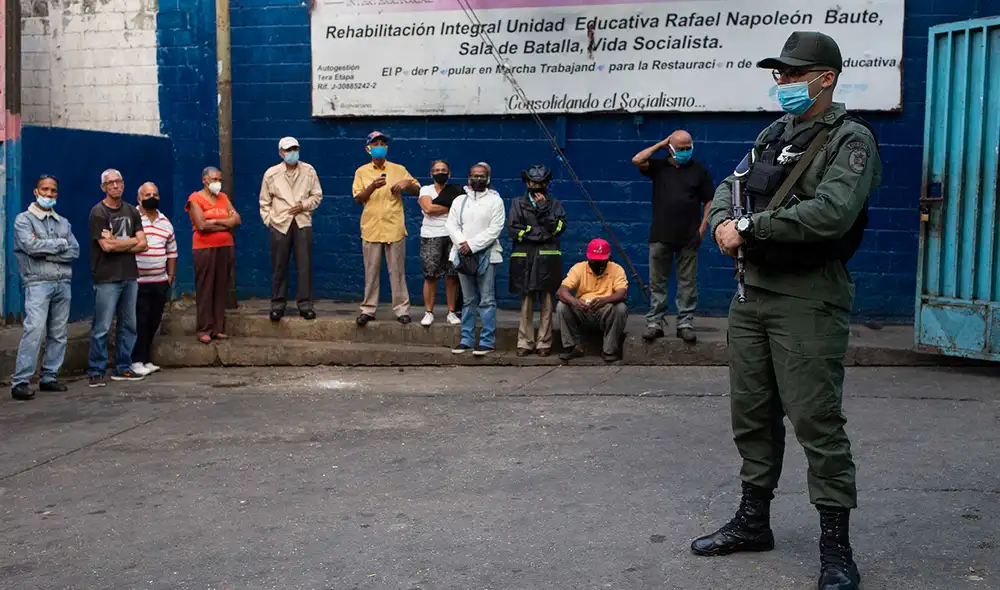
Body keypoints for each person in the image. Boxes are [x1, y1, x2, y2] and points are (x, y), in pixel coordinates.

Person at [691, 31, 882, 590]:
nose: (784, 83)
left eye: (795, 75)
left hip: (807, 299)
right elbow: (731, 184)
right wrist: (726, 218)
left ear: (825, 79)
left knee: (816, 422)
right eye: (780, 74)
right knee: (751, 414)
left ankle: (836, 549)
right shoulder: (774, 134)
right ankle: (754, 522)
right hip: (752, 296)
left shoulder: (851, 140)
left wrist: (748, 226)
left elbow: (832, 213)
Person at [631, 129, 714, 344]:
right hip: (660, 234)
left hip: (689, 236)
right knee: (657, 281)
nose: (686, 152)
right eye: (681, 148)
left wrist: (702, 230)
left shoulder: (699, 170)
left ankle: (685, 323)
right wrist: (661, 144)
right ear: (671, 148)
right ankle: (655, 323)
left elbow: (709, 202)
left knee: (687, 283)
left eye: (688, 148)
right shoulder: (659, 167)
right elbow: (637, 159)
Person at [9, 175, 80, 400]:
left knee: (58, 333)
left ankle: (49, 376)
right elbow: (30, 247)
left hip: (63, 283)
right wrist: (59, 245)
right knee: (35, 330)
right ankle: (20, 381)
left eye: (53, 191)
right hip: (38, 282)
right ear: (36, 191)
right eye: (45, 190)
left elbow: (75, 251)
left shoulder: (63, 222)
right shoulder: (24, 220)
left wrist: (46, 252)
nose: (49, 194)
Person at [351, 130, 420, 326]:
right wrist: (372, 186)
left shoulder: (399, 169)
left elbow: (417, 190)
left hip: (394, 227)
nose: (379, 147)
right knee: (371, 272)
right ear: (368, 148)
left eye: (382, 143)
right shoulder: (361, 172)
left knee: (397, 271)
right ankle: (368, 309)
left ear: (386, 147)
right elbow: (358, 199)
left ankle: (402, 310)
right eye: (375, 144)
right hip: (372, 228)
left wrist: (407, 184)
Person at [87, 168, 148, 387]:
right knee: (102, 326)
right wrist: (130, 242)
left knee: (129, 325)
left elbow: (144, 243)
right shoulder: (98, 213)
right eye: (110, 183)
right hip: (106, 277)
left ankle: (123, 366)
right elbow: (106, 246)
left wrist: (119, 242)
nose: (115, 186)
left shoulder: (132, 210)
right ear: (103, 187)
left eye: (119, 182)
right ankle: (96, 369)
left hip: (130, 276)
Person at [259, 136, 324, 321]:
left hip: (302, 222)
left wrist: (304, 205)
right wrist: (270, 221)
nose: (292, 153)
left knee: (304, 265)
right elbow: (264, 202)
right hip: (280, 223)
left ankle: (305, 305)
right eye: (288, 150)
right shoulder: (271, 173)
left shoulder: (309, 170)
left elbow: (317, 196)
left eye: (295, 149)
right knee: (279, 266)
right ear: (281, 153)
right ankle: (277, 305)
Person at [445, 162, 505, 356]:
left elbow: (495, 228)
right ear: (468, 177)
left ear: (488, 178)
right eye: (474, 175)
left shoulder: (496, 201)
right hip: (463, 256)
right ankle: (466, 339)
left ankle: (487, 341)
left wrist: (472, 245)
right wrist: (463, 244)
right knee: (468, 300)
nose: (478, 179)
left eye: (482, 176)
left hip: (487, 255)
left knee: (487, 300)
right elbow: (451, 225)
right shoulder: (459, 201)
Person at [507, 165, 567, 357]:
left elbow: (558, 228)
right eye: (534, 182)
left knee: (548, 302)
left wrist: (543, 210)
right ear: (527, 183)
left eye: (541, 183)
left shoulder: (555, 204)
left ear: (547, 184)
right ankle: (524, 342)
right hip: (525, 259)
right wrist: (540, 234)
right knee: (527, 302)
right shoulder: (517, 203)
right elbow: (514, 230)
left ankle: (544, 342)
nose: (538, 186)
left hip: (547, 259)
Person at [186, 167, 241, 344]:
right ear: (204, 180)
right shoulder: (195, 198)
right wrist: (227, 224)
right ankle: (204, 328)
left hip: (225, 247)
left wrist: (216, 221)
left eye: (219, 179)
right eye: (214, 179)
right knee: (206, 288)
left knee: (220, 288)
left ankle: (218, 328)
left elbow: (237, 220)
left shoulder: (223, 198)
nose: (218, 183)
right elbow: (201, 225)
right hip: (204, 249)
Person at [556, 238, 628, 363]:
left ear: (608, 258)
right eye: (594, 260)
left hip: (605, 310)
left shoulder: (616, 269)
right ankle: (572, 346)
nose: (597, 264)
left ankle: (609, 350)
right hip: (582, 309)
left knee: (621, 308)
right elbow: (562, 291)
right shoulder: (579, 268)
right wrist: (575, 302)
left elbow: (622, 293)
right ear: (588, 258)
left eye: (601, 261)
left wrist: (605, 300)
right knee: (562, 306)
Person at [132, 182, 177, 375]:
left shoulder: (165, 222)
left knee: (153, 321)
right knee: (139, 322)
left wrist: (170, 275)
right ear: (139, 198)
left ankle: (146, 358)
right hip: (137, 282)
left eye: (155, 194)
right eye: (148, 194)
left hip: (160, 281)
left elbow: (172, 251)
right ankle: (135, 360)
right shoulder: (132, 218)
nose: (152, 197)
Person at [416, 159, 463, 326]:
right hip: (431, 236)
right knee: (430, 276)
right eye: (436, 170)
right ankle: (429, 312)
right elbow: (428, 209)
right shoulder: (425, 189)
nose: (440, 172)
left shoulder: (457, 190)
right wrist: (451, 207)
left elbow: (460, 211)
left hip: (452, 235)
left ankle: (451, 312)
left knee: (452, 276)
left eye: (443, 170)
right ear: (431, 173)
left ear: (449, 173)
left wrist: (438, 206)